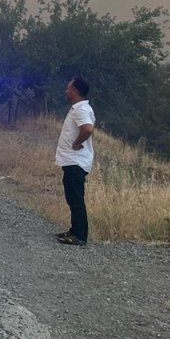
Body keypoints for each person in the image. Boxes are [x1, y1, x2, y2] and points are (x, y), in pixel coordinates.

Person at [56, 76, 96, 246]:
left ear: (76, 91)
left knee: (76, 199)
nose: (66, 91)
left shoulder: (81, 110)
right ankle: (74, 231)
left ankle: (80, 235)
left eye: (68, 88)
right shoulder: (78, 108)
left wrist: (77, 143)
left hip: (76, 162)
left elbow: (87, 129)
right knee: (72, 198)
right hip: (71, 161)